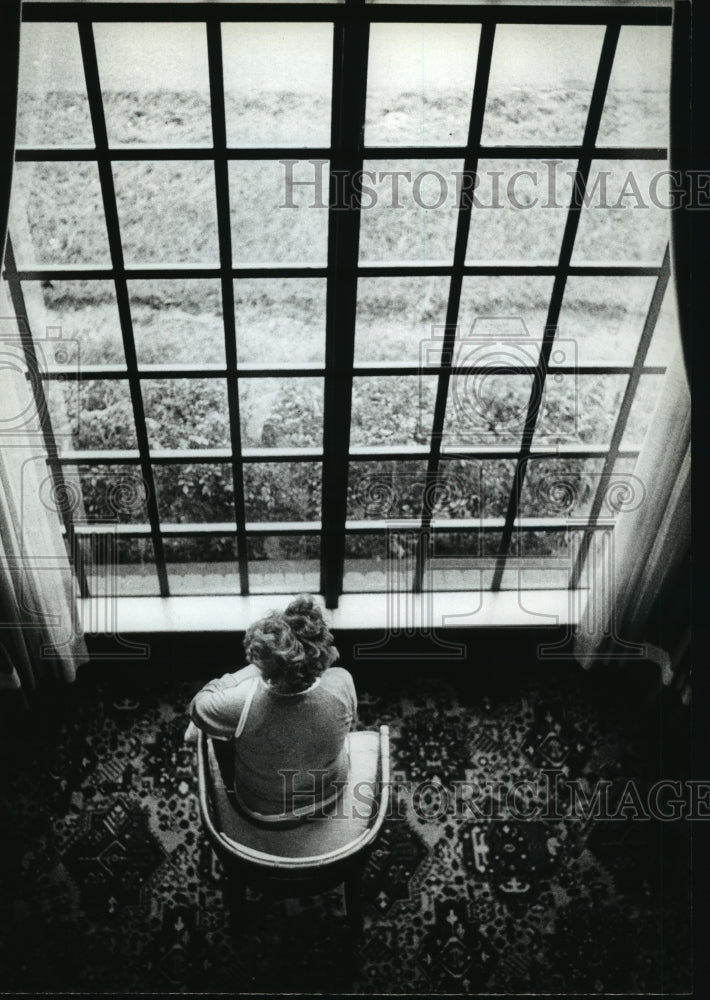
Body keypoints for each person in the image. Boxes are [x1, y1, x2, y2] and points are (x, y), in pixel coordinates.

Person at [187, 594, 357, 824]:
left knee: (200, 731)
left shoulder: (240, 702)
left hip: (267, 809)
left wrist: (254, 669)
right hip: (330, 794)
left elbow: (198, 707)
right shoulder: (342, 681)